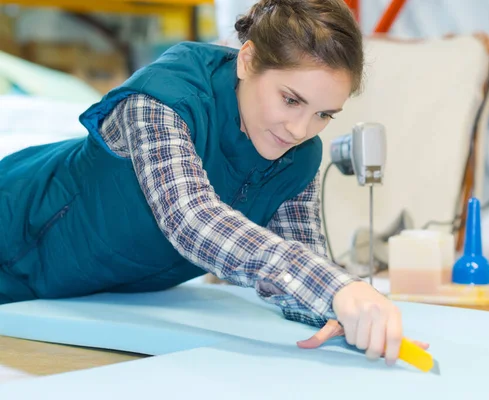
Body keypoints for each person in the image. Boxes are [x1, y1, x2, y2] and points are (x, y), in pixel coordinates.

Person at [0, 0, 428, 365]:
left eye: (323, 115)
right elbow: (191, 218)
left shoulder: (297, 156)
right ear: (247, 59)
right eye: (290, 99)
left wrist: (346, 313)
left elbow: (302, 267)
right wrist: (336, 288)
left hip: (84, 294)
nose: (301, 129)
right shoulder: (163, 98)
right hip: (12, 230)